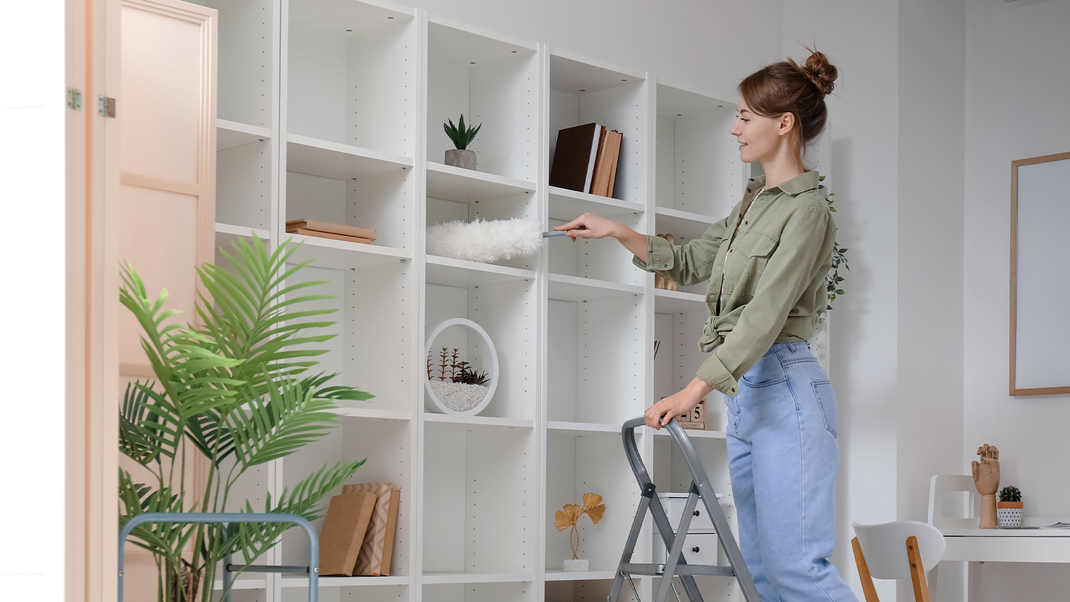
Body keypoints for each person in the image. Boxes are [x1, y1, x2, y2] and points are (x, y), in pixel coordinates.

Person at [555, 49, 856, 602]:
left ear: (783, 123)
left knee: (799, 574)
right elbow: (690, 262)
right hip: (749, 397)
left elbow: (764, 317)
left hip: (787, 392)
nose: (735, 128)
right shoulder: (752, 203)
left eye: (745, 116)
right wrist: (616, 230)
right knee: (761, 578)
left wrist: (691, 390)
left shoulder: (808, 211)